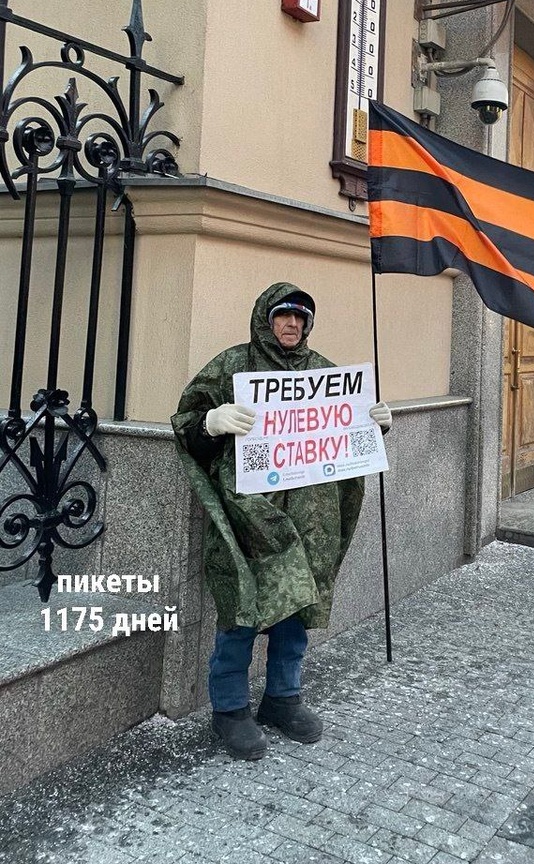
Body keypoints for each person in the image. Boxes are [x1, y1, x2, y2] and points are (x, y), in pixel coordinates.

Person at [172, 282, 392, 761]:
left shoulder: (325, 374)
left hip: (311, 518)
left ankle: (283, 698)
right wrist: (210, 422)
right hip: (251, 514)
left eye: (300, 317)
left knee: (296, 606)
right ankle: (229, 708)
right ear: (265, 320)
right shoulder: (232, 366)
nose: (291, 324)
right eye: (283, 315)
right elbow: (185, 423)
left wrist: (374, 425)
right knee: (243, 606)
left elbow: (347, 439)